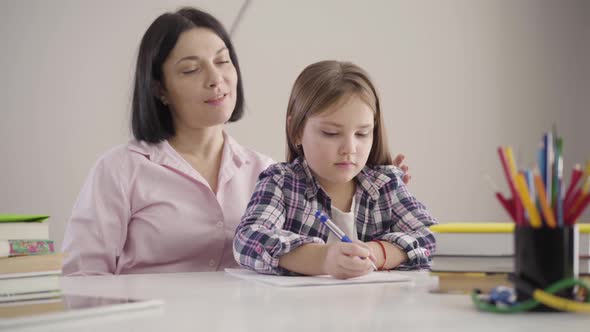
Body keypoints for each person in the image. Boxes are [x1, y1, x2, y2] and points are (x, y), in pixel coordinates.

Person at [61, 8, 410, 276]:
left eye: (222, 61)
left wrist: (364, 185)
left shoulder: (267, 171)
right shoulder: (120, 170)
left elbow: (314, 251)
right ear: (159, 89)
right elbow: (82, 277)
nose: (216, 79)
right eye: (190, 69)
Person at [233, 60, 436, 279]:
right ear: (296, 131)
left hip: (376, 310)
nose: (349, 149)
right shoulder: (281, 183)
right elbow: (248, 240)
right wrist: (324, 259)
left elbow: (435, 238)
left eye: (362, 134)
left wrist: (378, 252)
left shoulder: (385, 185)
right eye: (331, 133)